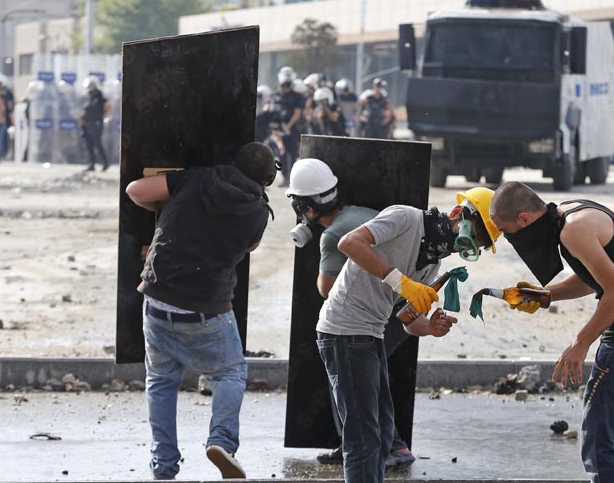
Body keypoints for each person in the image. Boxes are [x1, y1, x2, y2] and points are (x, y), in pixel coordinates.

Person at [316, 184, 501, 483]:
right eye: (476, 235)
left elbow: (406, 319)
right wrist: (399, 281)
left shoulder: (432, 262)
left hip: (370, 333)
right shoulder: (405, 219)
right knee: (363, 437)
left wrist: (429, 327)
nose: (470, 245)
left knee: (383, 433)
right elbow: (350, 243)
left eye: (479, 244)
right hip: (344, 330)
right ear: (457, 213)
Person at [489, 181, 614, 483]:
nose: (509, 239)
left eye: (506, 232)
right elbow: (592, 278)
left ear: (523, 219)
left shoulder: (572, 230)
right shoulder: (570, 214)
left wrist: (580, 343)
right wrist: (543, 295)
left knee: (602, 450)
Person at [125, 142, 280, 481]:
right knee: (229, 373)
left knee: (161, 381)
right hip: (206, 310)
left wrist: (165, 208)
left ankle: (164, 466)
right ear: (267, 180)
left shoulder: (196, 179)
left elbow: (135, 190)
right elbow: (249, 245)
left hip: (157, 299)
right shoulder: (258, 212)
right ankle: (221, 441)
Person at [286, 158, 443, 470]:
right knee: (369, 385)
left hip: (380, 316)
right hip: (392, 311)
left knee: (353, 385)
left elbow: (327, 290)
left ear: (308, 208)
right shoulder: (359, 214)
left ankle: (385, 447)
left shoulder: (333, 236)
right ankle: (367, 445)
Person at [276, 66, 304, 184]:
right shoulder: (277, 95)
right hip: (279, 129)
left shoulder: (297, 96)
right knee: (281, 154)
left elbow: (297, 113)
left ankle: (292, 179)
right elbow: (275, 112)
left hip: (292, 129)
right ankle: (284, 176)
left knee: (293, 155)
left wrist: (289, 126)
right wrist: (277, 128)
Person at [81, 76, 110, 172]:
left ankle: (105, 163)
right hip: (88, 123)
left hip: (96, 123)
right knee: (89, 144)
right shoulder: (89, 95)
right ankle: (92, 164)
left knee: (98, 143)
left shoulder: (99, 95)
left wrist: (101, 116)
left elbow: (109, 107)